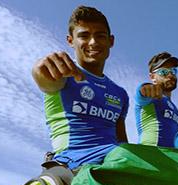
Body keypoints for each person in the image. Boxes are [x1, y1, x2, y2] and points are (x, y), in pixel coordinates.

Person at [32, 6, 129, 170]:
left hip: (116, 160)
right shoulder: (63, 75)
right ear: (70, 40)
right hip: (72, 163)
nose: (93, 42)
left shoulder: (120, 94)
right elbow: (45, 79)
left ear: (110, 41)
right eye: (84, 35)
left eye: (100, 36)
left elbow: (122, 142)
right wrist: (39, 69)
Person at [134, 52, 178, 147]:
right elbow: (142, 93)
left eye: (173, 71)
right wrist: (144, 89)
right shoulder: (151, 96)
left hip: (169, 158)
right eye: (163, 72)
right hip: (148, 155)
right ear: (152, 77)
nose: (170, 75)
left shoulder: (177, 111)